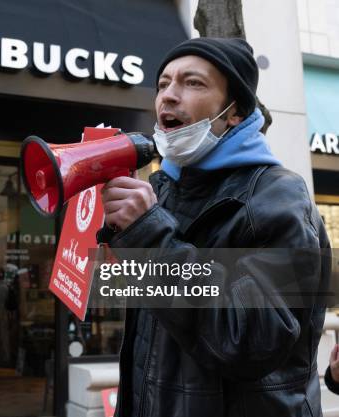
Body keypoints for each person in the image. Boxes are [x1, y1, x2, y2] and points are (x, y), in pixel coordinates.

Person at [96, 37, 331, 417]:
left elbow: (252, 338)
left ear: (234, 111)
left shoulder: (278, 197)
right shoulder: (162, 191)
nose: (168, 97)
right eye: (163, 84)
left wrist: (151, 238)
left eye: (193, 83)